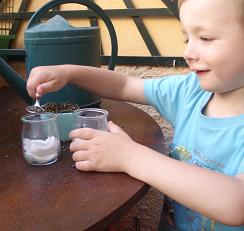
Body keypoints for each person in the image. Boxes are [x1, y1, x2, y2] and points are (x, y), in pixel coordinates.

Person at [26, 0, 244, 230]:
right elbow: (124, 85)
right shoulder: (191, 91)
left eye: (206, 39)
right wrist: (68, 72)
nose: (188, 52)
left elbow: (236, 204)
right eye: (187, 39)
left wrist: (129, 157)